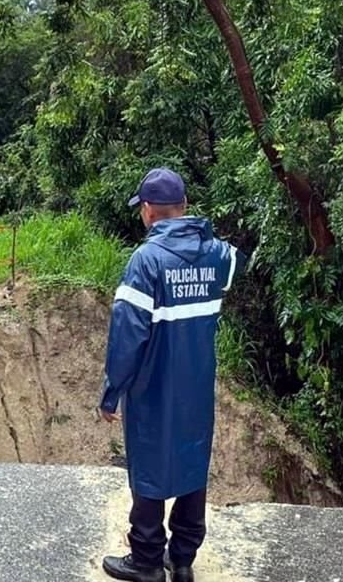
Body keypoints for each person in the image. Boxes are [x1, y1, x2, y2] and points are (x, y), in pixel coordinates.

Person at [100, 168, 245, 582]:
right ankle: (182, 560)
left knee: (148, 463)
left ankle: (146, 561)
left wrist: (112, 392)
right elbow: (237, 263)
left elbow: (127, 335)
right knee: (191, 461)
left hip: (153, 388)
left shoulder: (146, 260)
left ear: (147, 212)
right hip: (196, 387)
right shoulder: (219, 254)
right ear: (183, 208)